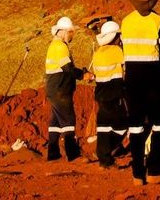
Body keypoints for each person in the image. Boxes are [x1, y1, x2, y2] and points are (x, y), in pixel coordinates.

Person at [121, 0, 160, 186]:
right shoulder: (158, 22)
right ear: (151, 0)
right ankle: (155, 171)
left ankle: (137, 175)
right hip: (153, 79)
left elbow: (125, 51)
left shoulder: (125, 22)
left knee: (135, 128)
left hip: (132, 80)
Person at [44, 15, 84, 161]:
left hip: (54, 89)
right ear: (62, 31)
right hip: (60, 89)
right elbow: (67, 68)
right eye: (70, 32)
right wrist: (82, 75)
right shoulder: (60, 47)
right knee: (68, 120)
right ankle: (73, 154)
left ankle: (53, 154)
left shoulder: (55, 45)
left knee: (55, 122)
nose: (71, 35)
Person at [90, 19, 126, 169]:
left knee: (104, 127)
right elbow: (127, 66)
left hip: (101, 93)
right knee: (122, 126)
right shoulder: (117, 51)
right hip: (114, 94)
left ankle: (103, 157)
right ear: (115, 37)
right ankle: (105, 153)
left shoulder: (97, 53)